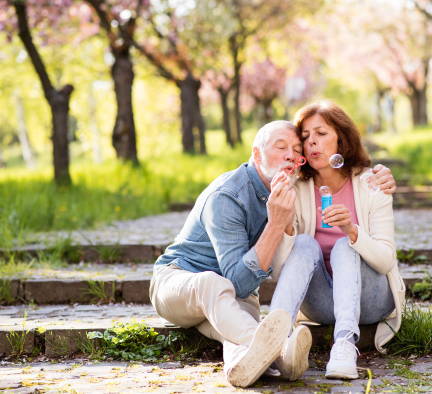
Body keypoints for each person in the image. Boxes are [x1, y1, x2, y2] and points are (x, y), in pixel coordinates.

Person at [150, 120, 396, 387]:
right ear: (257, 154)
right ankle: (281, 349)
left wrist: (381, 175)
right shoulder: (227, 196)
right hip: (180, 283)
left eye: (295, 149)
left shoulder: (286, 190)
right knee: (213, 283)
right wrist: (277, 223)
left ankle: (259, 367)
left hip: (232, 296)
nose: (290, 155)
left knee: (236, 333)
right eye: (281, 147)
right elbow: (238, 281)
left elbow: (247, 287)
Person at [269, 100, 406, 380]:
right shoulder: (296, 188)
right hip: (322, 301)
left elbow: (386, 260)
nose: (312, 143)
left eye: (321, 133)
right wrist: (284, 222)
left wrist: (353, 231)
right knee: (304, 244)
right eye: (305, 137)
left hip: (371, 299)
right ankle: (273, 341)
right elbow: (280, 268)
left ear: (341, 140)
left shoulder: (373, 185)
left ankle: (344, 344)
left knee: (346, 244)